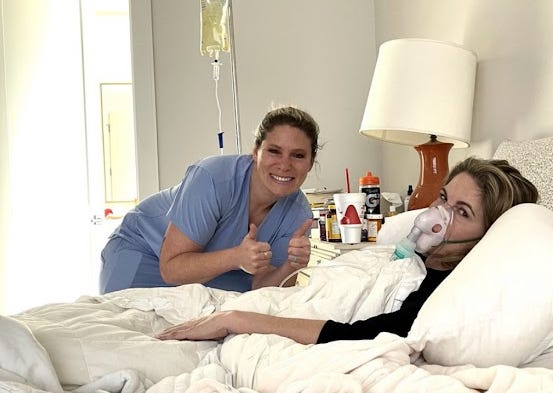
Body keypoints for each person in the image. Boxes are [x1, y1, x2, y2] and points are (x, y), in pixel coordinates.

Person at [156, 157, 539, 344]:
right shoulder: (412, 257)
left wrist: (239, 320)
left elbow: (364, 333)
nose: (438, 215)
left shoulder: (449, 288)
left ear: (489, 235)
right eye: (443, 198)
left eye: (463, 212)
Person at [100, 106, 320, 294]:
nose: (284, 165)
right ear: (255, 152)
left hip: (218, 275)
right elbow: (172, 268)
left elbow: (264, 289)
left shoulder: (298, 213)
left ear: (310, 163)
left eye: (298, 155)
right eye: (274, 151)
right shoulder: (213, 178)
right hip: (144, 251)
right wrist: (236, 257)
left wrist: (291, 267)